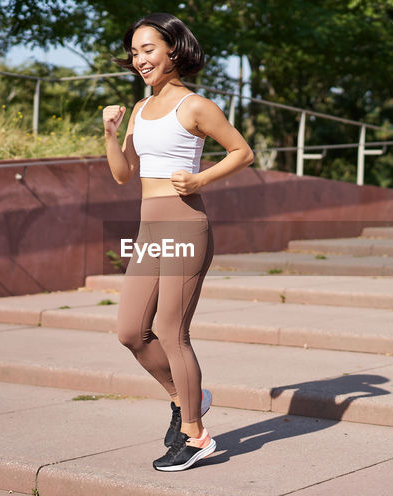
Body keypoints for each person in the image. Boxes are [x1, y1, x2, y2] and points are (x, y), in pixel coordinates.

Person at [102, 12, 254, 472]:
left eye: (148, 49)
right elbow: (123, 173)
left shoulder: (194, 105)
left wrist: (200, 180)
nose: (140, 59)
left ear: (173, 49)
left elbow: (243, 152)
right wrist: (110, 133)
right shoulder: (141, 110)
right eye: (134, 52)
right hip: (149, 227)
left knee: (171, 331)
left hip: (185, 223)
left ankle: (196, 435)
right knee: (131, 331)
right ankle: (187, 396)